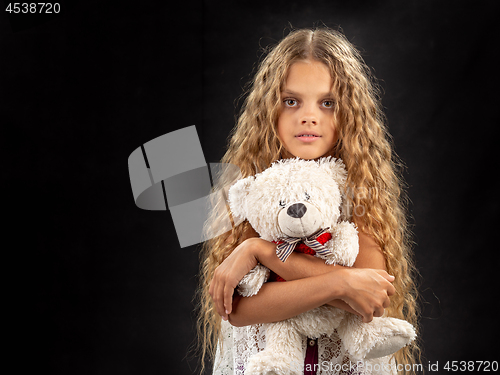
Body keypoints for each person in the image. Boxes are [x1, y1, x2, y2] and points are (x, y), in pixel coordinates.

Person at [196, 27, 420, 375]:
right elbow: (237, 309)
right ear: (270, 109)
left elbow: (369, 292)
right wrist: (341, 282)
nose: (309, 116)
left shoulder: (359, 188)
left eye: (327, 103)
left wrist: (261, 251)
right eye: (291, 101)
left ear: (349, 112)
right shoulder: (248, 190)